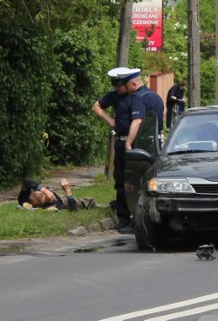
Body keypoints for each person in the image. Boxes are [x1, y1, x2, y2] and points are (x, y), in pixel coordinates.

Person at [91, 67, 135, 233]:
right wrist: (110, 120)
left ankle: (135, 216)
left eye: (120, 84)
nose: (118, 88)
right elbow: (96, 106)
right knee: (120, 180)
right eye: (115, 85)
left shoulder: (135, 97)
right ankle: (123, 217)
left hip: (135, 143)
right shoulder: (114, 96)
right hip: (121, 142)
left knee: (134, 180)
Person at [117, 68, 165, 150]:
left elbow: (137, 121)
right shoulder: (156, 96)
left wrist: (128, 143)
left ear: (134, 84)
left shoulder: (138, 97)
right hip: (158, 142)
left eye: (127, 86)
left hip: (144, 143)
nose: (126, 89)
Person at [17, 178, 98, 211]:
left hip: (59, 195)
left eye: (41, 193)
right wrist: (68, 190)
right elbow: (74, 210)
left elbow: (26, 181)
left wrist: (44, 190)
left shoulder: (24, 199)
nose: (50, 196)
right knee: (88, 201)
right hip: (68, 201)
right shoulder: (55, 206)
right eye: (47, 198)